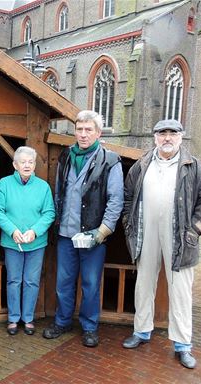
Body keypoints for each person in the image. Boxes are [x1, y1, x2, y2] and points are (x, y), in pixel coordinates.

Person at [122, 119, 201, 369]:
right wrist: (128, 224)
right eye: (162, 133)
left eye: (172, 134)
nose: (167, 138)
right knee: (144, 283)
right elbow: (128, 196)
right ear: (154, 137)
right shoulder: (142, 164)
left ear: (181, 137)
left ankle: (183, 344)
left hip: (181, 237)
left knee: (181, 292)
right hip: (146, 231)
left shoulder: (194, 167)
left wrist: (195, 230)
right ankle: (141, 331)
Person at [43, 110, 124, 348]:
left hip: (93, 236)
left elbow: (116, 200)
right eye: (80, 129)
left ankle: (89, 327)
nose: (83, 134)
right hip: (66, 234)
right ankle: (62, 321)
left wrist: (103, 231)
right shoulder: (67, 156)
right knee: (63, 282)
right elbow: (60, 191)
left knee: (90, 283)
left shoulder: (110, 160)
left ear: (98, 133)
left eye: (89, 129)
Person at [0, 146, 55, 336]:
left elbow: (49, 212)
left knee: (31, 280)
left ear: (34, 164)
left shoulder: (43, 187)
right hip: (12, 242)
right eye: (23, 162)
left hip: (35, 243)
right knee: (13, 280)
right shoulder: (4, 184)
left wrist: (35, 232)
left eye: (30, 162)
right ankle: (13, 318)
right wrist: (12, 231)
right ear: (15, 164)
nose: (27, 165)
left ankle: (28, 318)